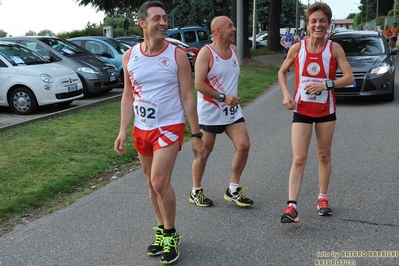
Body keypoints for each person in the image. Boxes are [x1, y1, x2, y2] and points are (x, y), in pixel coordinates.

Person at [114, 1, 206, 264]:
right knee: (149, 181)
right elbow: (128, 94)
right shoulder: (130, 56)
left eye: (165, 18)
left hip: (169, 126)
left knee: (158, 182)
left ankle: (171, 233)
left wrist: (196, 134)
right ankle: (160, 230)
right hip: (141, 129)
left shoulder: (176, 55)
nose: (163, 22)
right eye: (157, 18)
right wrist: (122, 130)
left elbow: (189, 96)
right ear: (142, 23)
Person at [277, 2, 354, 223]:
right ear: (307, 24)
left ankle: (322, 198)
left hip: (325, 111)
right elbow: (282, 73)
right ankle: (292, 206)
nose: (317, 25)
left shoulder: (334, 48)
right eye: (313, 21)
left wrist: (325, 85)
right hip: (302, 109)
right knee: (299, 158)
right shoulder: (297, 48)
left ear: (328, 24)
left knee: (323, 155)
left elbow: (349, 78)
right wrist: (285, 94)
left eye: (322, 21)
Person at [189, 16, 253, 208]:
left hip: (232, 111)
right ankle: (196, 191)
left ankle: (233, 189)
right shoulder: (206, 53)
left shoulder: (233, 50)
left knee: (244, 145)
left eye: (233, 25)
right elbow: (198, 84)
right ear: (217, 31)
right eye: (230, 26)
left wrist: (229, 99)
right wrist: (222, 97)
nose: (234, 29)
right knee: (204, 152)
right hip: (211, 110)